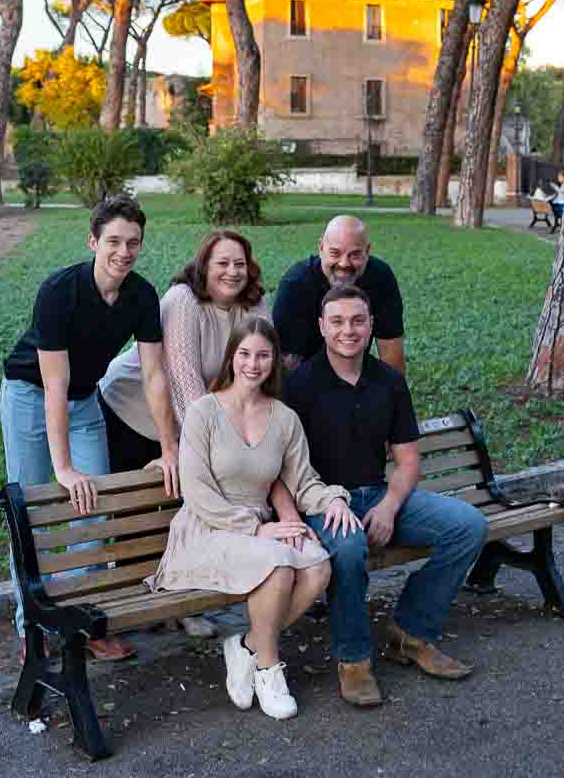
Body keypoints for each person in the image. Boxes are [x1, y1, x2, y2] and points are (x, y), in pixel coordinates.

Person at [282, 284, 489, 708]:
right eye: (337, 321)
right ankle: (353, 659)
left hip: (376, 494)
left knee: (469, 526)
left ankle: (411, 633)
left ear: (372, 325)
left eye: (358, 320)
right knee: (349, 548)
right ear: (321, 327)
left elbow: (408, 461)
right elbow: (282, 467)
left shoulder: (388, 381)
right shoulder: (298, 385)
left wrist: (389, 507)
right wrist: (315, 507)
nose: (348, 330)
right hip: (320, 503)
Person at [147, 317, 359, 720]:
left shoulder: (283, 418)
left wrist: (332, 500)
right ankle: (268, 669)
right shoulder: (203, 412)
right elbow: (196, 491)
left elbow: (303, 482)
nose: (253, 363)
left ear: (274, 361)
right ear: (232, 358)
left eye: (263, 355)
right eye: (245, 354)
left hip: (257, 534)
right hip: (207, 529)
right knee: (278, 566)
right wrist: (258, 528)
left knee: (316, 566)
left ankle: (245, 644)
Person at [0, 194, 178, 662]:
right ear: (93, 241)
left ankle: (86, 623)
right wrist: (63, 467)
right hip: (30, 397)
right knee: (33, 514)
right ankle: (32, 630)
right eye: (114, 241)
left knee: (94, 510)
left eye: (133, 243)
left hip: (84, 401)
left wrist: (170, 447)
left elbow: (156, 376)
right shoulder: (59, 291)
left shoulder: (141, 295)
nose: (123, 252)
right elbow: (53, 384)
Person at [98, 229, 270, 636]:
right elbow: (183, 383)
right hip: (131, 408)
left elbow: (260, 371)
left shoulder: (258, 305)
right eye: (222, 263)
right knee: (136, 509)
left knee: (186, 507)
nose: (232, 272)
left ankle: (183, 599)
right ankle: (131, 604)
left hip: (193, 416)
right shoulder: (182, 301)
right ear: (203, 267)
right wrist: (207, 447)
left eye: (239, 264)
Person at [272, 215, 405, 373]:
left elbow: (392, 355)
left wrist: (394, 394)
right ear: (321, 247)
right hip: (304, 378)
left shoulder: (380, 278)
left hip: (355, 373)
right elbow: (286, 365)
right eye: (335, 253)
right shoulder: (296, 284)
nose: (344, 264)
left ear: (367, 251)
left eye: (355, 255)